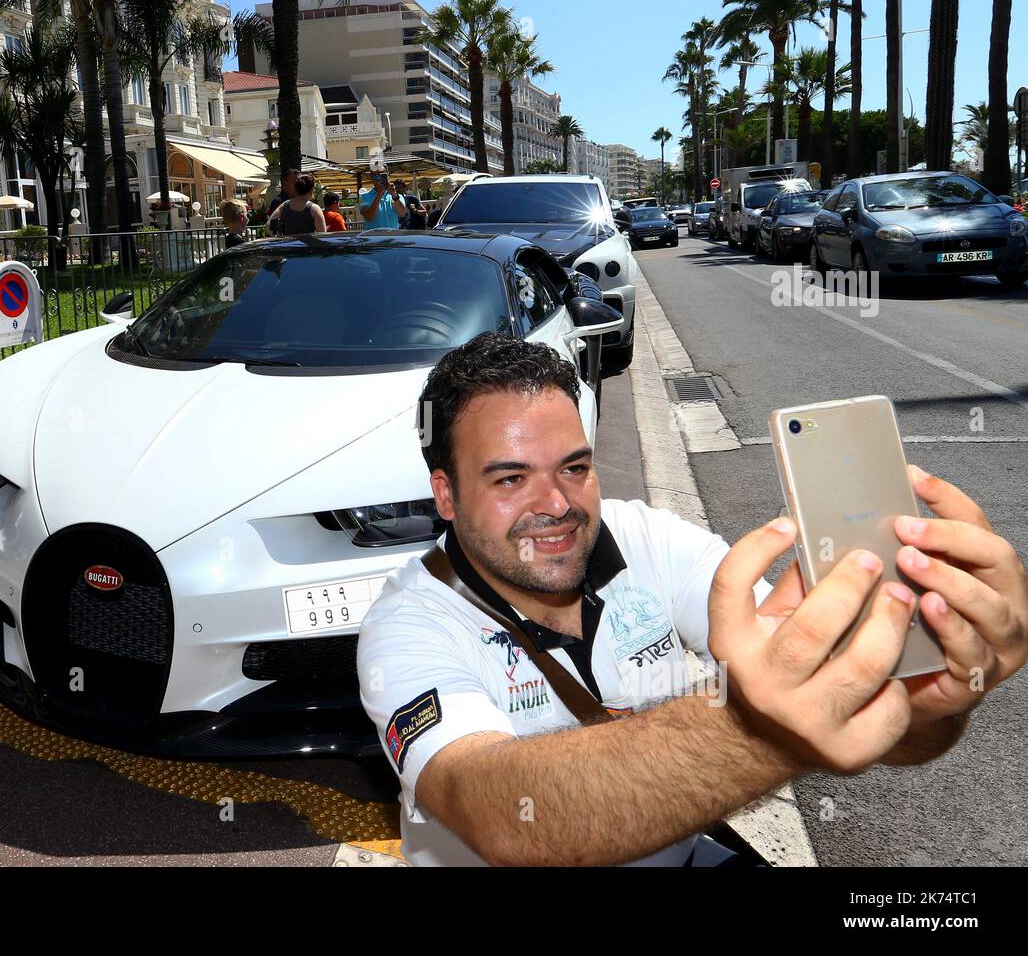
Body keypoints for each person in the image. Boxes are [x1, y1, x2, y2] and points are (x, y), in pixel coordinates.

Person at [357, 333, 1027, 867]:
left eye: (575, 467)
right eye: (510, 478)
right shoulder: (407, 623)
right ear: (445, 495)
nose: (556, 506)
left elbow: (885, 730)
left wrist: (922, 689)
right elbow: (498, 813)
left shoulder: (648, 538)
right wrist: (771, 722)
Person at [266, 167, 299, 236]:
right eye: (294, 182)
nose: (297, 185)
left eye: (298, 183)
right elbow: (273, 228)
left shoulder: (298, 200)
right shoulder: (278, 201)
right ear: (285, 182)